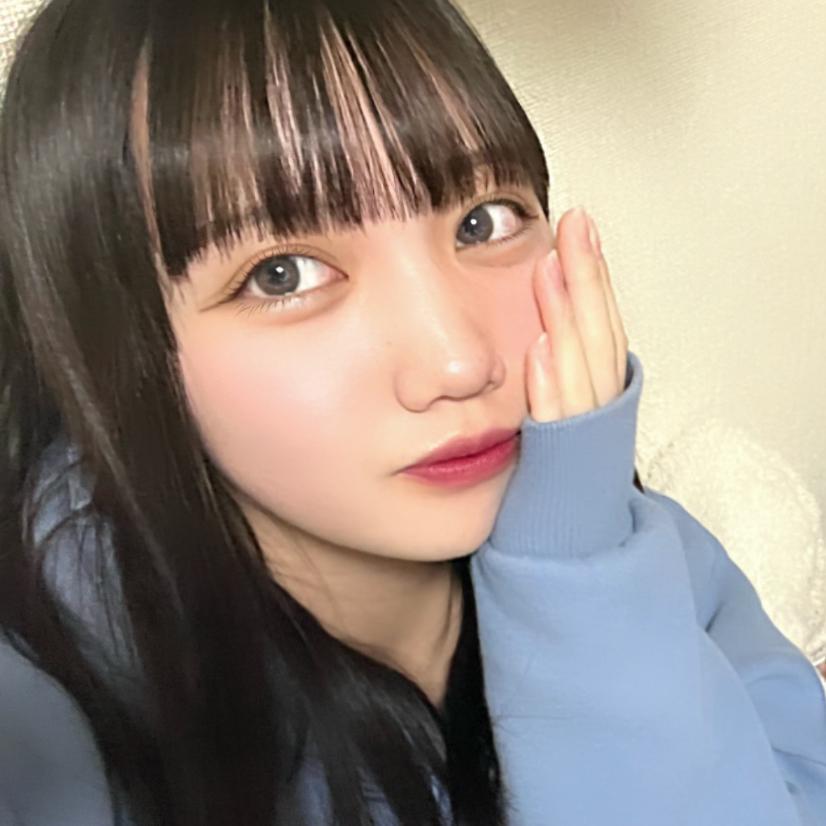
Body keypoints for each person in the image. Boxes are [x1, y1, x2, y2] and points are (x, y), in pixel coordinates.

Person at [0, 0, 824, 824]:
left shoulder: (634, 547)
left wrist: (581, 580)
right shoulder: (53, 716)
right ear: (119, 353)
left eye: (483, 222)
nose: (458, 365)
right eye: (283, 274)